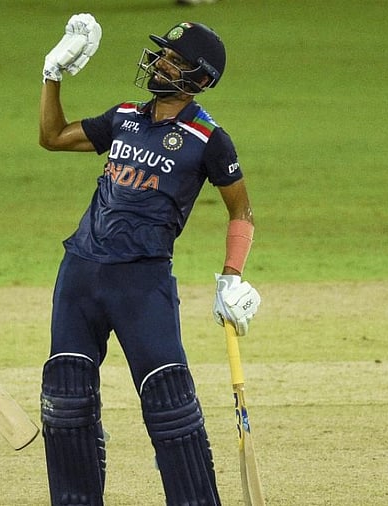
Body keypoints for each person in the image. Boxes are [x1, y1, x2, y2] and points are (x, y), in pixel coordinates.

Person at [38, 15, 261, 505]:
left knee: (169, 406)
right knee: (67, 399)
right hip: (78, 275)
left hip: (142, 285)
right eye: (161, 54)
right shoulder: (123, 116)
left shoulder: (207, 138)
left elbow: (240, 209)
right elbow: (52, 136)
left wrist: (231, 277)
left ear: (200, 79)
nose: (159, 63)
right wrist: (51, 73)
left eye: (173, 60)